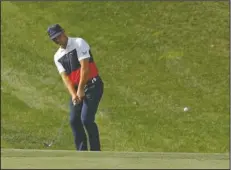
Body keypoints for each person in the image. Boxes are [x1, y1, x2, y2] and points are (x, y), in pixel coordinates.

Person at [47, 24, 104, 151]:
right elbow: (65, 78)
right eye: (54, 39)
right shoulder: (57, 57)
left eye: (58, 36)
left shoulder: (79, 43)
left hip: (93, 85)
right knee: (74, 120)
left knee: (86, 119)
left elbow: (85, 68)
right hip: (78, 90)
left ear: (63, 32)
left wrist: (80, 89)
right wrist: (74, 94)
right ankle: (81, 152)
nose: (57, 40)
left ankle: (96, 152)